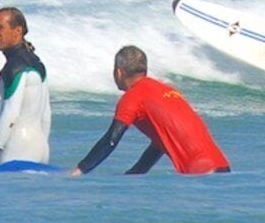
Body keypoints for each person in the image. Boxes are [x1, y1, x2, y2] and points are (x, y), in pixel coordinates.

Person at [77, 45, 229, 174]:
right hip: (223, 169)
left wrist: (79, 171)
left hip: (201, 174)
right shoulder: (165, 90)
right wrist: (134, 174)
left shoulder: (133, 97)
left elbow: (110, 140)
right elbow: (161, 142)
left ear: (119, 72)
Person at [0, 5, 53, 172]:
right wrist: (42, 145)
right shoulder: (37, 63)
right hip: (40, 146)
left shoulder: (14, 67)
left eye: (0, 27)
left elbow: (11, 112)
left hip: (17, 147)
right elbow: (46, 114)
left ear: (17, 31)